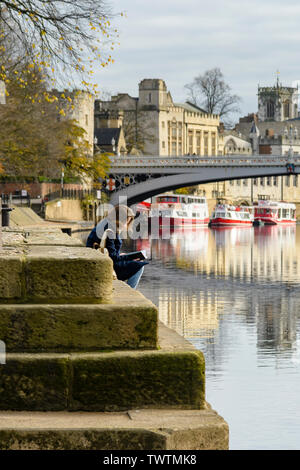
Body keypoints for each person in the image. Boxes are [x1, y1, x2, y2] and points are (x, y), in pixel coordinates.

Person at [86, 205, 148, 289]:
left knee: (133, 263)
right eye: (127, 221)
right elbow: (113, 258)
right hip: (104, 264)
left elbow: (111, 252)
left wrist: (122, 256)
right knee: (139, 266)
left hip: (99, 258)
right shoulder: (110, 230)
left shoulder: (106, 224)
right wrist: (130, 257)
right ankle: (129, 291)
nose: (127, 224)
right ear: (120, 219)